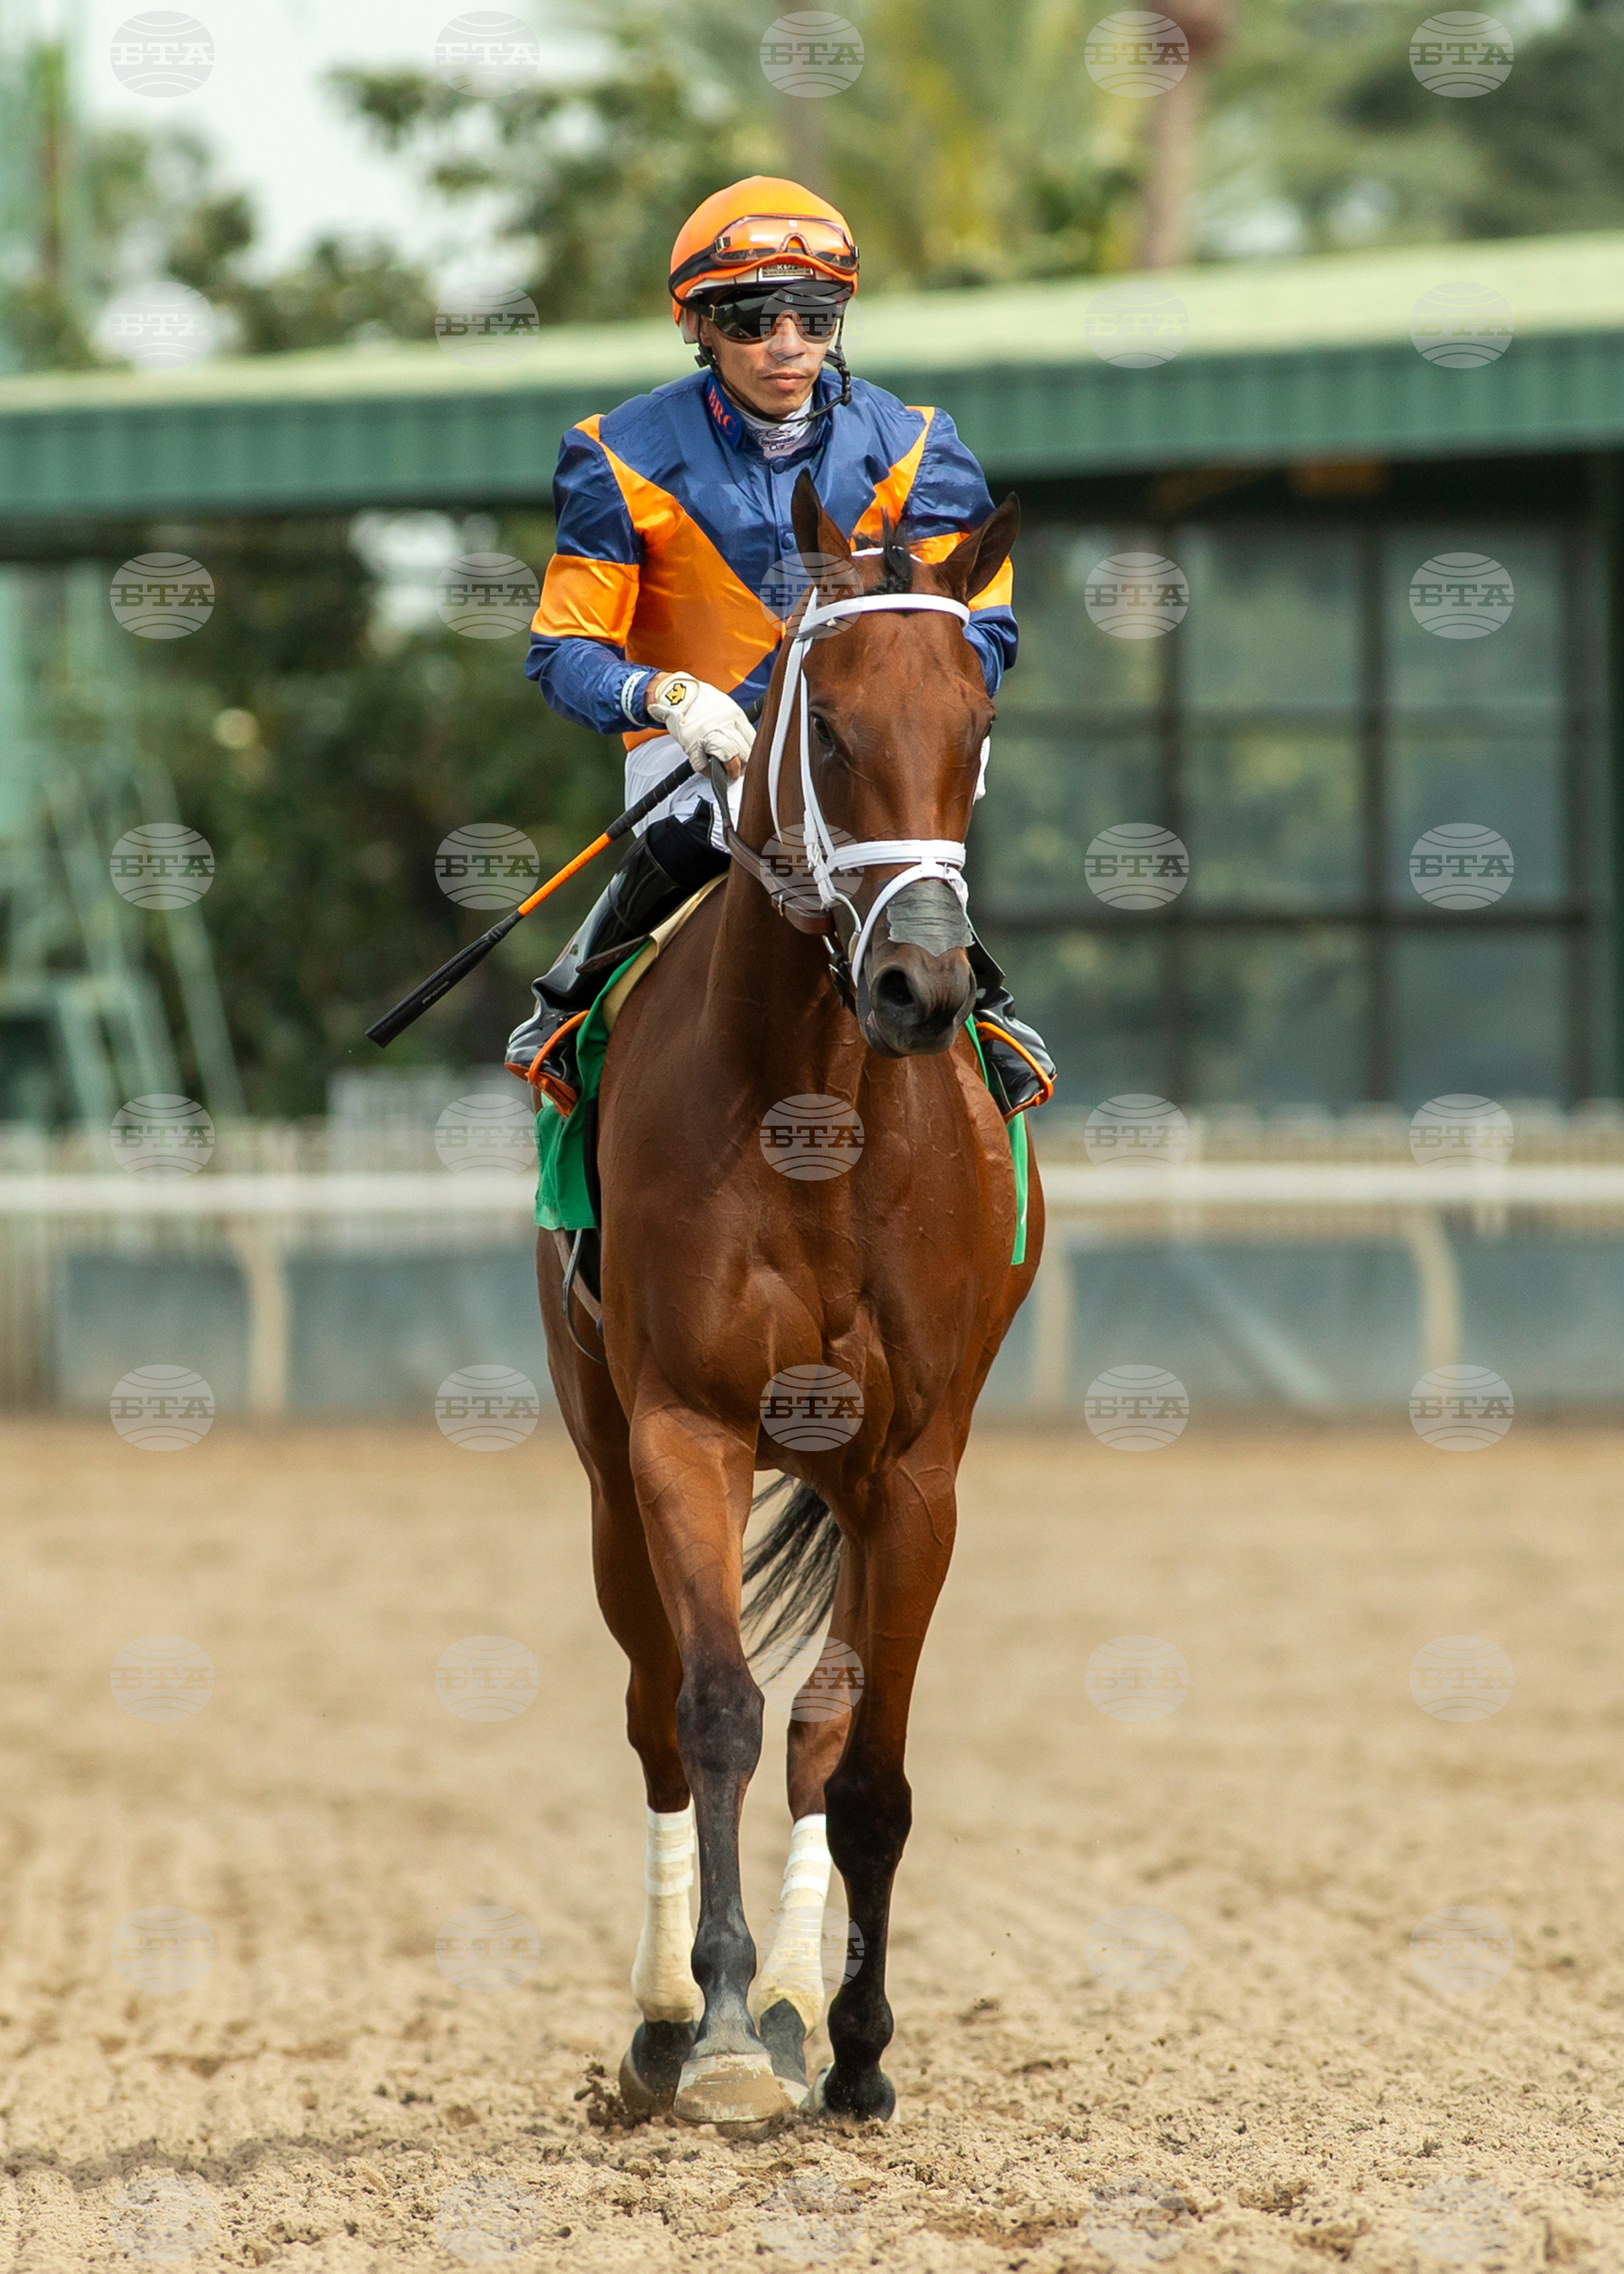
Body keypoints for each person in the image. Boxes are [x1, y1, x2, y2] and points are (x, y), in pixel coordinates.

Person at [506, 174, 1055, 1116]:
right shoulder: (614, 452)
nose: (790, 344)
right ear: (699, 326)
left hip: (874, 762)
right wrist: (670, 700)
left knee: (915, 868)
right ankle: (572, 1012)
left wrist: (909, 697)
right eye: (756, 316)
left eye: (816, 313)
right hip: (700, 777)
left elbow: (987, 622)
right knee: (668, 872)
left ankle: (994, 1028)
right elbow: (564, 650)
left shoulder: (920, 444)